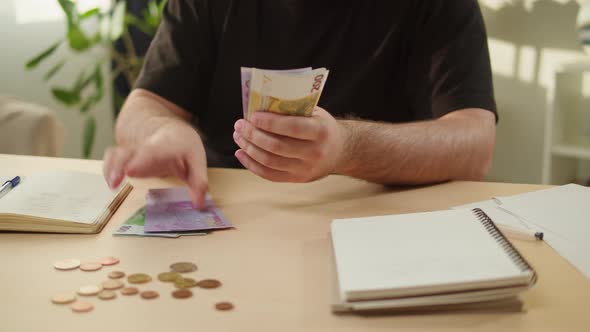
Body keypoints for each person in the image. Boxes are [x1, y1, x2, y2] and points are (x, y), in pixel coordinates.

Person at [103, 0, 497, 208]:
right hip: (232, 219)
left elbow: (475, 142)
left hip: (379, 222)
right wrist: (165, 131)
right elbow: (145, 104)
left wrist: (348, 147)